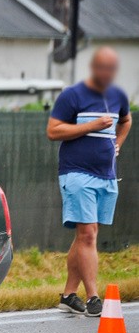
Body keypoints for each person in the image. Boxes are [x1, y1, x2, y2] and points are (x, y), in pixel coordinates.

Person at [46, 47, 132, 317]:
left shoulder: (118, 95)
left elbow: (126, 121)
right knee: (88, 234)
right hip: (76, 173)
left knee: (86, 234)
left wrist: (117, 143)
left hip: (106, 175)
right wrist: (91, 126)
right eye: (102, 67)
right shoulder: (73, 95)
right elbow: (53, 131)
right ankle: (93, 296)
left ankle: (69, 294)